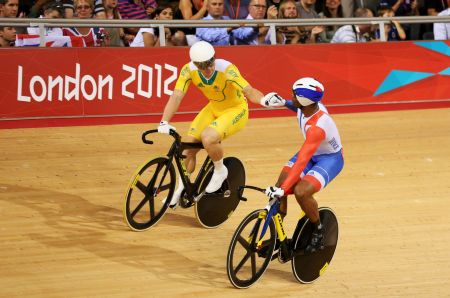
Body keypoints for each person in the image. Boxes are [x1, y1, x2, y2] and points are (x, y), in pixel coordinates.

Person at [157, 41, 270, 209]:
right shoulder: (188, 70)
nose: (208, 69)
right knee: (187, 149)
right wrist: (164, 121)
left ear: (214, 58)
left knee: (208, 138)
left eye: (210, 64)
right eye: (202, 66)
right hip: (213, 108)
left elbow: (249, 90)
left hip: (235, 109)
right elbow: (176, 96)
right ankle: (180, 188)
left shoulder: (226, 69)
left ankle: (220, 170)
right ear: (195, 64)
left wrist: (263, 99)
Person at [262, 77, 344, 254]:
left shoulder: (317, 127)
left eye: (294, 95)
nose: (292, 96)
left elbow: (301, 161)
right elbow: (296, 107)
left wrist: (285, 189)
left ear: (305, 101)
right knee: (281, 183)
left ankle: (318, 229)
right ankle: (279, 226)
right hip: (314, 153)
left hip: (329, 159)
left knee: (300, 192)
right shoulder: (308, 106)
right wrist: (283, 102)